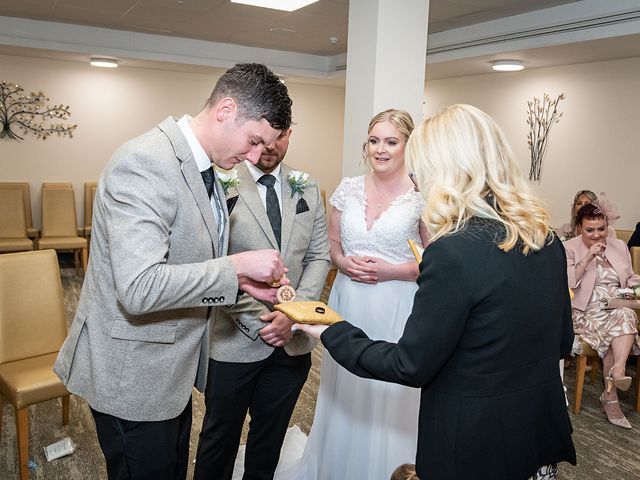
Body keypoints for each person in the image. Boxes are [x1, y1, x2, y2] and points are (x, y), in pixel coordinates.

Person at [296, 104, 577, 480]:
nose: (418, 175)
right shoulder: (546, 238)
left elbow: (408, 365)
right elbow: (562, 340)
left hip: (475, 444)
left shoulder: (454, 251)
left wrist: (330, 330)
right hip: (536, 433)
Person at [53, 63, 293, 480]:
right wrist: (234, 267)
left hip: (171, 375)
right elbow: (139, 287)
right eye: (254, 141)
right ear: (225, 109)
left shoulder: (210, 168)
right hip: (134, 376)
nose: (256, 157)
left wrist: (246, 287)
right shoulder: (145, 162)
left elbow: (189, 265)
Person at [276, 109, 429, 480]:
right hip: (349, 300)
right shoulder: (348, 188)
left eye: (391, 142)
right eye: (374, 141)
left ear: (408, 145)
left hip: (398, 304)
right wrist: (344, 264)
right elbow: (332, 244)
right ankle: (338, 464)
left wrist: (389, 270)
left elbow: (434, 261)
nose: (381, 149)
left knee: (387, 385)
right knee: (347, 383)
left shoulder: (423, 196)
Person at [193, 128, 331, 480]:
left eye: (281, 135)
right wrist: (263, 321)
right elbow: (213, 261)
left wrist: (292, 317)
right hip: (232, 341)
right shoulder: (219, 183)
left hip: (292, 343)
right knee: (218, 439)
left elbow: (318, 257)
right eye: (266, 136)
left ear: (290, 134)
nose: (272, 145)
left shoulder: (307, 186)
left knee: (269, 440)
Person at [563, 202, 640, 429]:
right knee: (618, 326)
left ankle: (617, 371)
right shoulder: (569, 248)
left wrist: (636, 287)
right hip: (586, 310)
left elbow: (630, 277)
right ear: (579, 228)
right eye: (590, 230)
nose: (597, 235)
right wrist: (587, 258)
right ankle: (611, 394)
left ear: (607, 226)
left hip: (616, 304)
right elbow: (568, 283)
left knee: (625, 313)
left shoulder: (619, 246)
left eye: (601, 229)